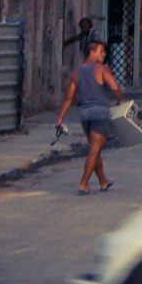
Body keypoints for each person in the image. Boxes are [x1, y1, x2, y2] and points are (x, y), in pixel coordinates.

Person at [56, 40, 123, 194]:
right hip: (100, 114)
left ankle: (104, 182)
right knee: (94, 149)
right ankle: (83, 184)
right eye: (101, 51)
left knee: (96, 149)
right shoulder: (101, 69)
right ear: (92, 52)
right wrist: (120, 101)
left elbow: (68, 98)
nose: (104, 54)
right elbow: (115, 88)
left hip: (85, 115)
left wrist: (60, 118)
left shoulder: (77, 72)